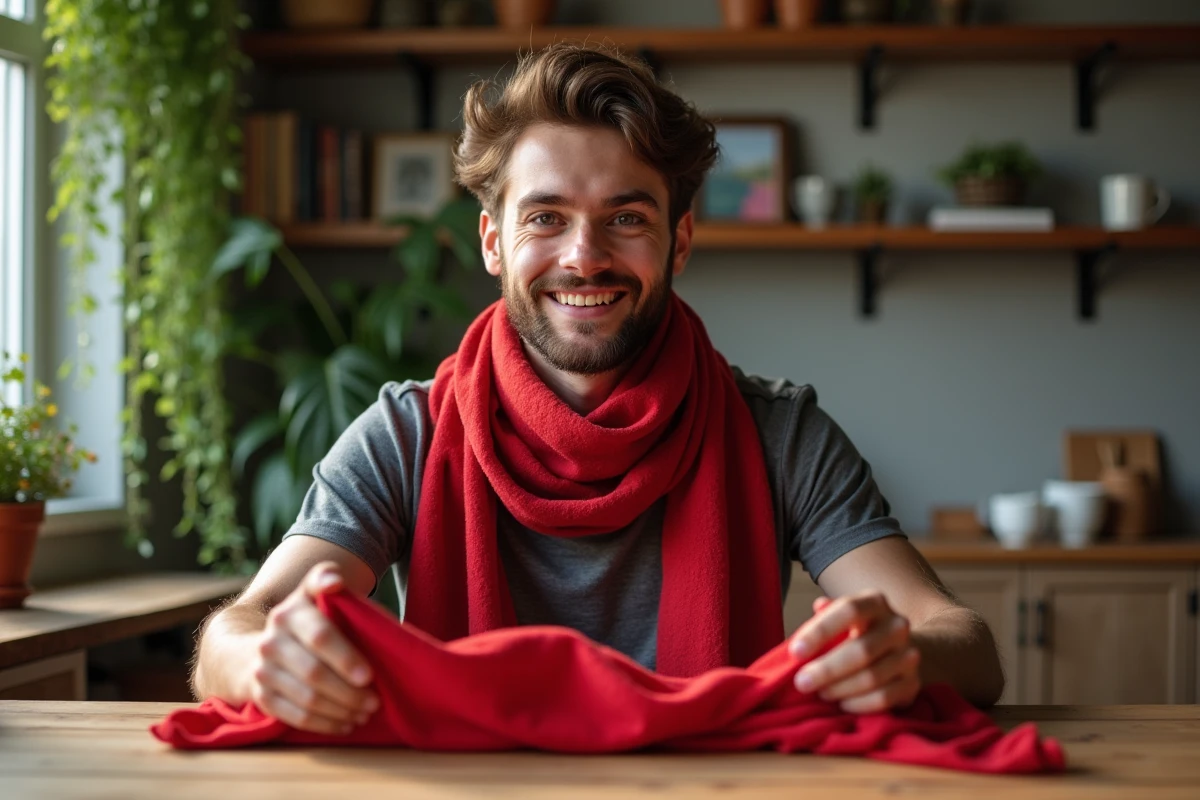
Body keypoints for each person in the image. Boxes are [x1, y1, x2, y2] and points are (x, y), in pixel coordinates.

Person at [192, 43, 1004, 737]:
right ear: (493, 241)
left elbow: (964, 642)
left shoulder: (778, 431)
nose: (584, 256)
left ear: (678, 239)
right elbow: (239, 630)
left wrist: (903, 656)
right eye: (545, 217)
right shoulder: (408, 431)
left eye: (626, 218)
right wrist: (266, 661)